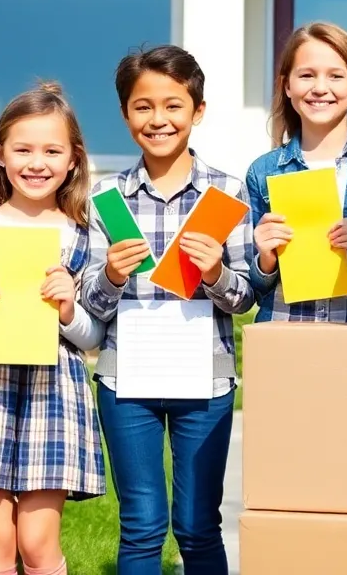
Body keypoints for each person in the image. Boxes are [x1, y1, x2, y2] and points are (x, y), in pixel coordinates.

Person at [79, 44, 255, 575]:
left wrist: (216, 275)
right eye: (143, 106)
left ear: (197, 112)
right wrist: (109, 275)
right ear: (125, 114)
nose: (159, 119)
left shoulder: (226, 192)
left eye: (173, 105)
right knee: (141, 526)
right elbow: (89, 306)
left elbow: (246, 295)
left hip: (205, 383)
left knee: (199, 525)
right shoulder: (106, 199)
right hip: (125, 382)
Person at [0, 82, 107, 575]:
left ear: (73, 160)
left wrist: (69, 310)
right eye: (23, 149)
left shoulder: (83, 235)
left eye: (52, 150)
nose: (37, 162)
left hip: (55, 391)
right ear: (0, 155)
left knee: (37, 542)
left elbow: (93, 336)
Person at [245, 21, 347, 323]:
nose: (320, 88)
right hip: (285, 337)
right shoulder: (263, 172)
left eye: (336, 76)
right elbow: (252, 288)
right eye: (307, 75)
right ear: (287, 85)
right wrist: (266, 257)